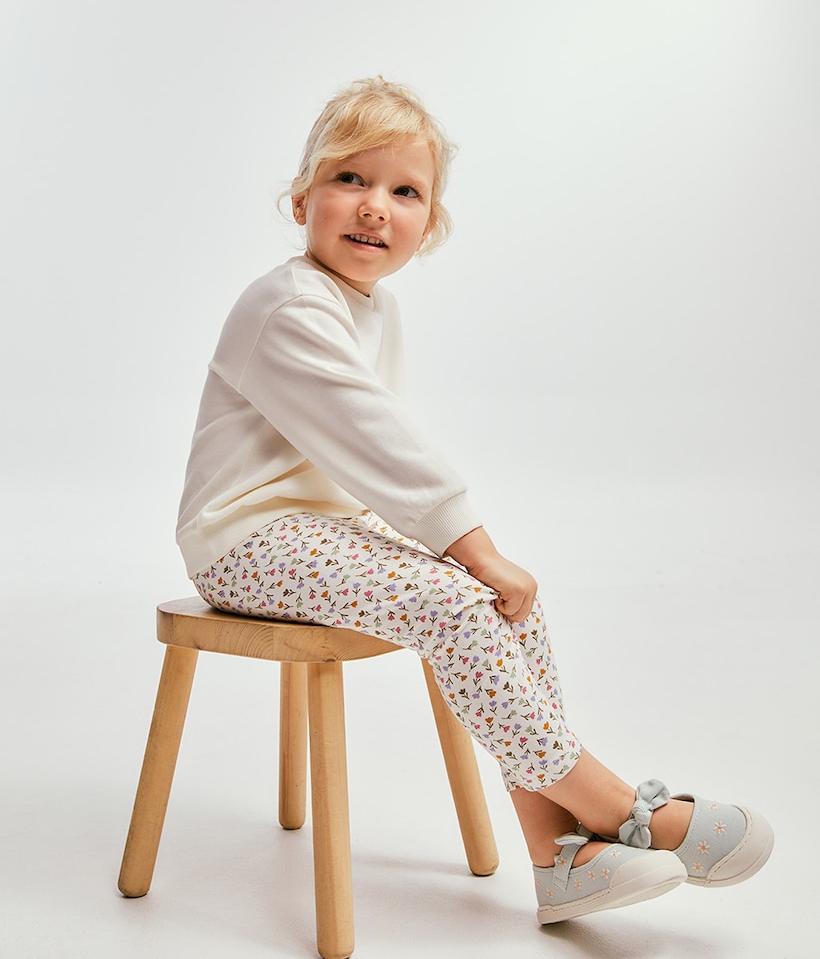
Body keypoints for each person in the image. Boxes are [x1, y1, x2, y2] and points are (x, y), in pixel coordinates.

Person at [176, 76, 773, 925]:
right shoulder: (288, 304)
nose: (374, 206)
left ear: (429, 225)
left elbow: (368, 458)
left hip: (322, 535)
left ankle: (559, 857)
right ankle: (614, 808)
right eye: (350, 179)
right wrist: (471, 546)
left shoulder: (372, 309)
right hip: (244, 542)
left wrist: (471, 561)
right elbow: (376, 439)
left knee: (501, 603)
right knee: (459, 598)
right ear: (302, 199)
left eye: (405, 192)